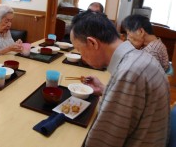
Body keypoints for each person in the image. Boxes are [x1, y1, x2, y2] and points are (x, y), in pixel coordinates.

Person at [70, 11, 170, 147]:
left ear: (92, 43)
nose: (81, 57)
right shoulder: (139, 58)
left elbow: (104, 141)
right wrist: (105, 90)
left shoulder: (129, 73)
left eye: (80, 50)